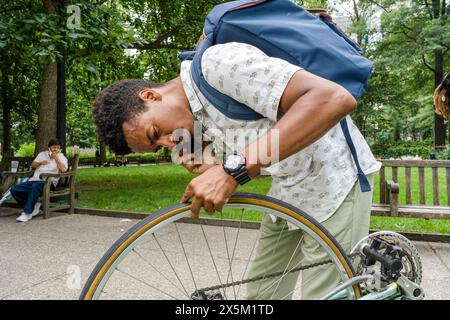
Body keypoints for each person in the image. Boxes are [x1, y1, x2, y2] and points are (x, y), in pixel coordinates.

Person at [91, 42, 381, 299]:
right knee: (262, 295)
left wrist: (234, 170)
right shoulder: (195, 116)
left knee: (325, 294)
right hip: (289, 190)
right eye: (159, 148)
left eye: (156, 132)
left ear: (151, 96)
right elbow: (257, 140)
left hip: (335, 181)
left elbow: (333, 99)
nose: (169, 143)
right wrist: (209, 161)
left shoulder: (219, 65)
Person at [12, 139, 68, 222]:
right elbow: (33, 165)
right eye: (53, 147)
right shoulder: (42, 154)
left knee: (35, 186)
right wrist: (41, 163)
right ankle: (33, 206)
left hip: (48, 182)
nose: (56, 150)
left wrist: (56, 159)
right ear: (49, 148)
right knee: (14, 189)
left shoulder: (62, 157)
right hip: (34, 180)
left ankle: (27, 213)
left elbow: (63, 170)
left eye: (58, 148)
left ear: (60, 149)